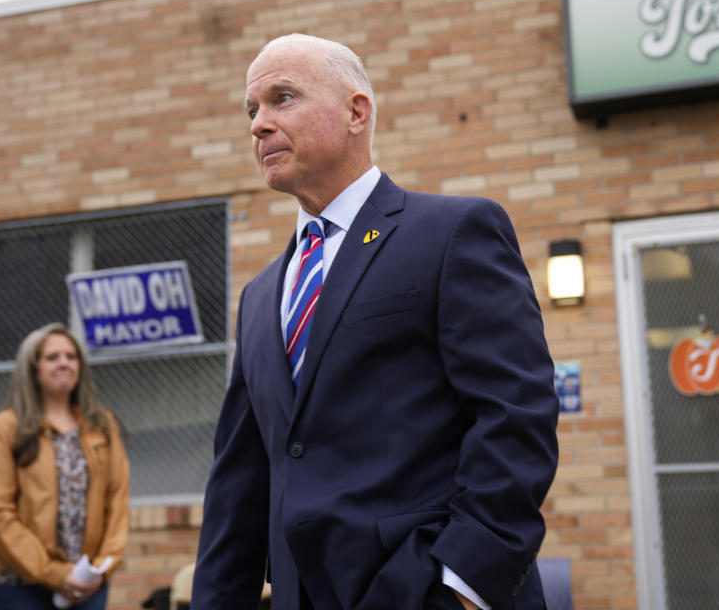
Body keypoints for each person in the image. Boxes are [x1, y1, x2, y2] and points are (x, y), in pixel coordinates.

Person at [191, 33, 559, 610]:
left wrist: (462, 584)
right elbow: (240, 480)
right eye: (251, 110)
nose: (259, 124)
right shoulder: (260, 296)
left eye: (283, 98)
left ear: (356, 112)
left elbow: (515, 415)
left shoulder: (453, 233)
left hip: (425, 590)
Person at [0, 323, 130, 610]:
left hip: (87, 588)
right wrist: (54, 573)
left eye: (72, 357)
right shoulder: (4, 428)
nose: (64, 363)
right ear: (32, 368)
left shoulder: (102, 426)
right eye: (53, 357)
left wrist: (102, 569)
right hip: (18, 588)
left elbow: (117, 503)